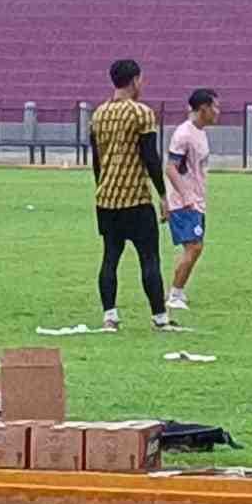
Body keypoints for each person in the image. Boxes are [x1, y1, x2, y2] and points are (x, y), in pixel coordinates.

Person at [89, 59, 176, 332]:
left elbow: (96, 160)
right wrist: (163, 194)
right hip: (136, 198)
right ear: (135, 80)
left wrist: (102, 187)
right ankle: (160, 318)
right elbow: (150, 157)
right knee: (149, 258)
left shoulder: (98, 114)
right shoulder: (142, 114)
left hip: (106, 199)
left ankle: (110, 317)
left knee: (110, 258)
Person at [165, 87, 219, 311]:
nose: (218, 111)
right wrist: (185, 195)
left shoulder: (200, 132)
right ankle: (175, 294)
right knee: (194, 247)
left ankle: (178, 292)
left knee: (195, 247)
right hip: (184, 202)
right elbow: (170, 168)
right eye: (215, 107)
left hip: (196, 199)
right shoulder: (184, 134)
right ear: (204, 108)